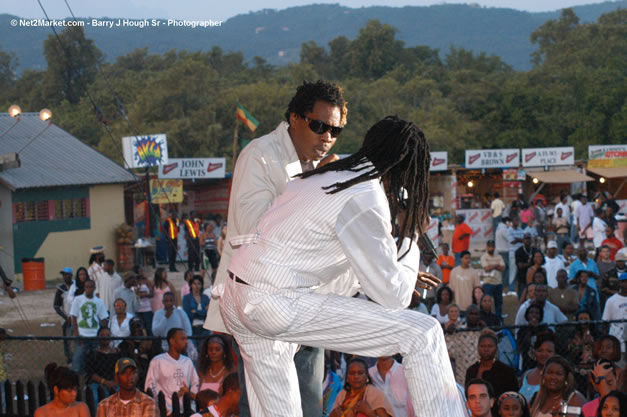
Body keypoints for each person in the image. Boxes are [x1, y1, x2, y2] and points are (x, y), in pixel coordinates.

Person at [218, 116, 464, 416]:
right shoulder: (365, 196)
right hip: (274, 301)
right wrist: (411, 230)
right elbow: (395, 297)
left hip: (238, 294)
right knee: (423, 334)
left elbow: (337, 260)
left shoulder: (329, 177)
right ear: (406, 167)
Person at [204, 80, 347, 417]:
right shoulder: (260, 155)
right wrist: (314, 187)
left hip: (309, 308)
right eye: (319, 125)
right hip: (263, 312)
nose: (327, 136)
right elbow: (258, 232)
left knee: (308, 409)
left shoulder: (317, 167)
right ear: (295, 119)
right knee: (263, 409)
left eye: (335, 130)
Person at [145, 328, 200, 413]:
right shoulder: (158, 361)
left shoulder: (188, 361)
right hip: (165, 411)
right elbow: (150, 386)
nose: (186, 342)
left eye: (186, 339)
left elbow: (196, 383)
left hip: (187, 409)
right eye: (183, 339)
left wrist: (190, 394)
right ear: (172, 341)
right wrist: (161, 407)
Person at [329, 358, 394, 417]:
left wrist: (369, 412)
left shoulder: (375, 395)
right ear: (347, 377)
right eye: (352, 373)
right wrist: (332, 415)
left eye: (360, 373)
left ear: (366, 377)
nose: (356, 376)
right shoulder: (342, 395)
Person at [465, 331, 518, 399]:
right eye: (482, 346)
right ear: (478, 348)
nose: (486, 349)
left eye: (490, 346)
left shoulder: (506, 371)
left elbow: (512, 395)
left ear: (496, 348)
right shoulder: (471, 370)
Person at [70, 279, 109, 374]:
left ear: (94, 288)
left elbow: (104, 318)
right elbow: (73, 317)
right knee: (78, 360)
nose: (88, 289)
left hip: (95, 336)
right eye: (86, 287)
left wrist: (101, 332)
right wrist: (76, 332)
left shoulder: (99, 302)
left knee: (95, 360)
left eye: (90, 287)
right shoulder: (78, 300)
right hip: (82, 336)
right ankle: (77, 381)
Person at [518, 333, 556, 403]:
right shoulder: (526, 374)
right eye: (540, 350)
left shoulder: (557, 377)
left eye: (549, 351)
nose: (544, 354)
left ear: (555, 353)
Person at [86, 327, 120, 402]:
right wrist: (105, 382)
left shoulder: (117, 353)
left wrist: (115, 382)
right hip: (98, 382)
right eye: (102, 335)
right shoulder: (92, 354)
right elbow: (91, 374)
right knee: (95, 397)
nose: (105, 337)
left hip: (115, 382)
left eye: (107, 335)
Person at [601, 273, 627, 353]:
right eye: (623, 282)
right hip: (617, 341)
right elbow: (605, 322)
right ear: (619, 283)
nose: (625, 284)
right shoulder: (611, 300)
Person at [54, 267, 75, 364]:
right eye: (63, 275)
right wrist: (65, 317)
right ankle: (69, 358)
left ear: (71, 275)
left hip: (77, 318)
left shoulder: (76, 286)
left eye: (66, 274)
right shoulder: (60, 289)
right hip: (66, 319)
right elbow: (56, 306)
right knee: (67, 340)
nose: (65, 276)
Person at [480, 240, 505, 318]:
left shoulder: (499, 256)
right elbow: (486, 268)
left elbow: (503, 268)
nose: (491, 248)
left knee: (499, 304)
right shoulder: (483, 257)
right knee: (486, 304)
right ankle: (486, 318)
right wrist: (496, 265)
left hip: (498, 283)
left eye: (492, 246)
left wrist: (491, 266)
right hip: (488, 283)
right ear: (487, 247)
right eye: (490, 246)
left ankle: (498, 320)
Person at [182, 275, 210, 342]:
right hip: (192, 329)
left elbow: (209, 313)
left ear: (201, 285)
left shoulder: (205, 298)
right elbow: (188, 314)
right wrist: (203, 311)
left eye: (199, 283)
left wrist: (195, 311)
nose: (196, 286)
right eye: (194, 283)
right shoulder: (186, 298)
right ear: (191, 285)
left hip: (204, 329)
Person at [508, 217, 526, 294]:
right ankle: (511, 288)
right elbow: (512, 241)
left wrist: (518, 239)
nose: (517, 222)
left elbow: (524, 240)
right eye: (515, 220)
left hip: (520, 253)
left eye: (517, 220)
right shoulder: (509, 230)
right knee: (513, 271)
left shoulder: (521, 230)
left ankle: (519, 288)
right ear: (512, 221)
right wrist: (520, 240)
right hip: (512, 253)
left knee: (520, 271)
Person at [135, 267, 154, 335]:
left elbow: (152, 294)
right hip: (138, 310)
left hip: (147, 309)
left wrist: (146, 295)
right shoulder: (134, 283)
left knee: (149, 327)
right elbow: (134, 295)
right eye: (140, 271)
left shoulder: (147, 282)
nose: (142, 273)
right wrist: (138, 290)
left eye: (142, 271)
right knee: (139, 328)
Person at [495, 217, 511, 292]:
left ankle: (503, 284)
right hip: (504, 251)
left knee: (503, 269)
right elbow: (509, 238)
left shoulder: (498, 228)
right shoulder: (504, 229)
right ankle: (505, 285)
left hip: (500, 251)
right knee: (506, 269)